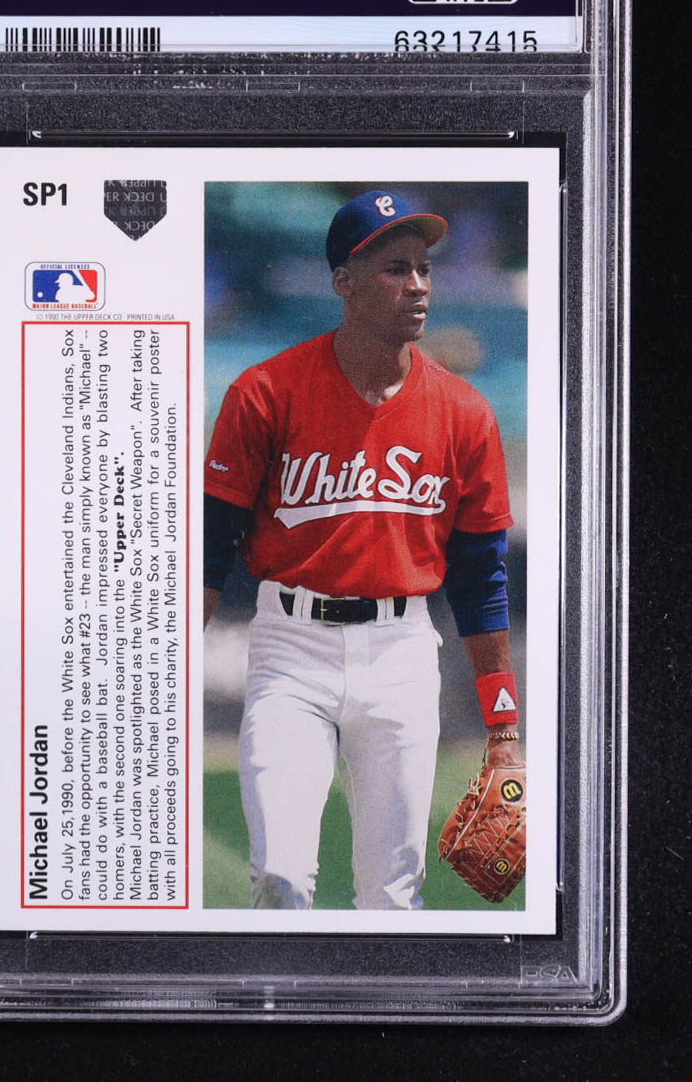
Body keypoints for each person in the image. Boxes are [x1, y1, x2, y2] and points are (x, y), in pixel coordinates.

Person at [203, 188, 522, 910]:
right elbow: (212, 547)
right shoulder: (265, 392)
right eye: (394, 268)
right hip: (290, 648)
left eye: (424, 268)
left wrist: (503, 728)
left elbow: (481, 580)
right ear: (344, 282)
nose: (417, 285)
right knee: (280, 877)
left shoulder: (465, 413)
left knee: (392, 897)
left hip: (402, 652)